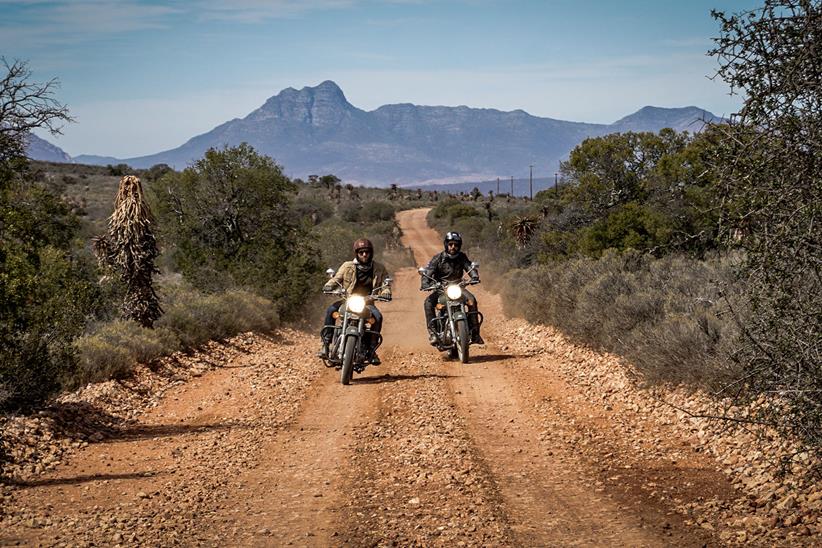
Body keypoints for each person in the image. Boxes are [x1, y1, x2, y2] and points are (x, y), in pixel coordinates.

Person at [318, 238, 392, 364]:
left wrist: (386, 293)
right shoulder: (347, 266)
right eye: (361, 252)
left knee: (377, 317)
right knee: (331, 310)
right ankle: (326, 344)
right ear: (356, 253)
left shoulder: (379, 268)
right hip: (347, 300)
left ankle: (371, 349)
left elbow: (385, 284)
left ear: (371, 253)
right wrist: (329, 285)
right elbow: (336, 279)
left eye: (367, 252)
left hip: (367, 302)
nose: (364, 255)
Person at [421, 231, 484, 345]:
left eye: (456, 244)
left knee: (472, 300)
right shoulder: (438, 258)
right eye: (450, 244)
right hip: (441, 288)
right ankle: (433, 333)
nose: (453, 247)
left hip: (458, 287)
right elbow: (428, 271)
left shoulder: (462, 257)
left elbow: (469, 266)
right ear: (446, 245)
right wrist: (425, 283)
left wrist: (474, 276)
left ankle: (475, 333)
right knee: (428, 303)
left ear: (459, 245)